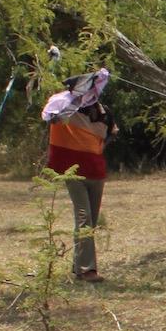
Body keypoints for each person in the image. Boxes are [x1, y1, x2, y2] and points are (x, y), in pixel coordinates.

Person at [46, 94, 114, 283]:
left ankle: (78, 266)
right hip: (74, 173)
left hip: (96, 172)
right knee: (84, 217)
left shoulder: (105, 112)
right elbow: (51, 118)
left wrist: (92, 148)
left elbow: (111, 133)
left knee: (90, 221)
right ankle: (87, 270)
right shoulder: (67, 109)